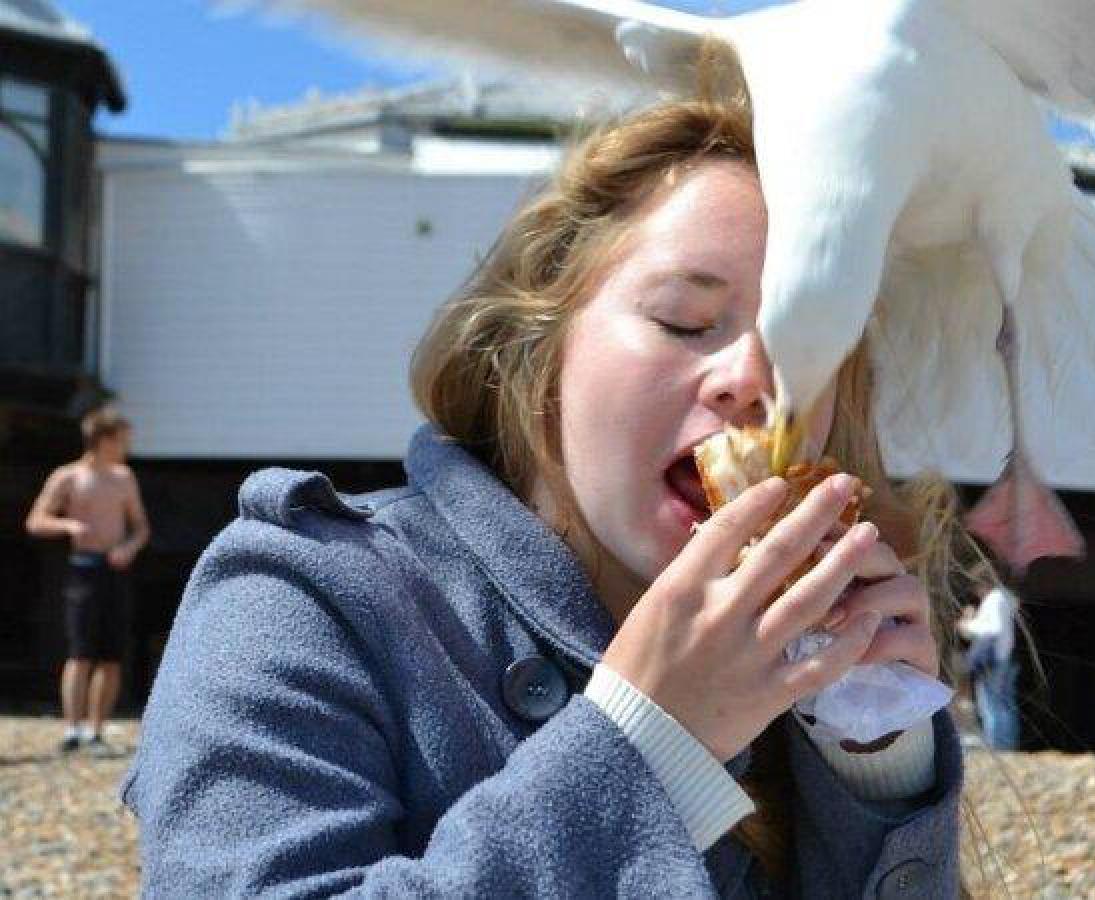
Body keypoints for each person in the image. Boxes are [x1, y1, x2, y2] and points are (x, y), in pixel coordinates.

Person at [123, 84, 971, 897]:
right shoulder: (304, 596)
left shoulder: (807, 675)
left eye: (805, 344)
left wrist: (876, 761)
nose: (752, 379)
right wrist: (649, 744)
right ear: (543, 348)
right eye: (683, 318)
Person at [26, 406, 150, 756]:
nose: (127, 446)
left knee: (112, 655)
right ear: (103, 439)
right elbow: (36, 520)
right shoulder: (68, 477)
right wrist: (68, 525)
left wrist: (128, 547)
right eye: (122, 439)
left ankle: (97, 730)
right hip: (83, 568)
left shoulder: (124, 477)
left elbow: (141, 529)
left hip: (115, 568)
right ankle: (72, 729)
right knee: (81, 652)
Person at [958, 581, 1021, 751]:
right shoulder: (1007, 599)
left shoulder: (994, 599)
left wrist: (967, 623)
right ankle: (1008, 745)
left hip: (993, 661)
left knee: (990, 705)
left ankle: (997, 746)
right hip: (1007, 658)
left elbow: (992, 630)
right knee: (1005, 704)